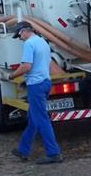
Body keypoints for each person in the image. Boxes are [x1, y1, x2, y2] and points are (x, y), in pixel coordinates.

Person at [8, 21, 63, 164]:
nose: (20, 38)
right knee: (33, 119)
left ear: (24, 31)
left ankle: (53, 153)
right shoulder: (43, 42)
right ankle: (23, 150)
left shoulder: (29, 44)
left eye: (19, 35)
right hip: (45, 82)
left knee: (42, 119)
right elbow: (41, 64)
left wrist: (12, 76)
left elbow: (26, 66)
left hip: (36, 86)